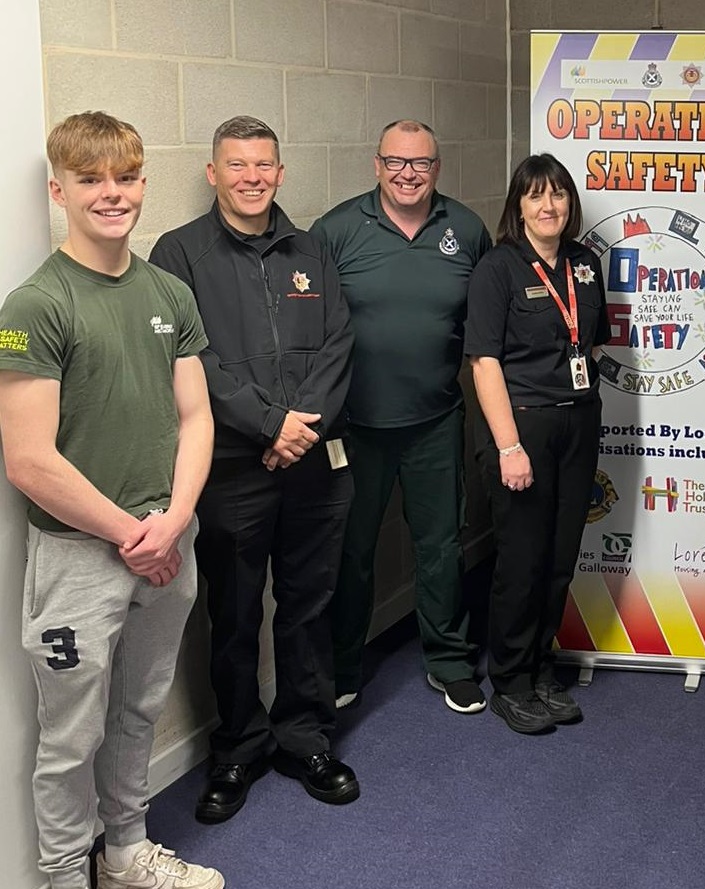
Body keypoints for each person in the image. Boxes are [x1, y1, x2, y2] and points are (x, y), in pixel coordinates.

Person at [0, 112, 221, 888]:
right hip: (81, 558)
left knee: (138, 710)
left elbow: (196, 417)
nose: (112, 193)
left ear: (142, 184)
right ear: (60, 189)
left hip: (168, 539)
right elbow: (29, 461)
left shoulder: (168, 291)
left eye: (125, 177)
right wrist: (139, 534)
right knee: (70, 735)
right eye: (91, 179)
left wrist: (176, 520)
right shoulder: (36, 305)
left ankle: (124, 854)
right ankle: (65, 875)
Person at [150, 116, 358, 824]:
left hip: (314, 462)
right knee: (233, 612)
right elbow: (191, 360)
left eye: (263, 165)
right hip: (231, 466)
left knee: (309, 604)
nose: (251, 177)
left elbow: (339, 343)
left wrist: (298, 429)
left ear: (280, 172)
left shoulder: (313, 249)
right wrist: (270, 424)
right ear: (213, 173)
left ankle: (306, 736)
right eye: (236, 165)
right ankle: (237, 745)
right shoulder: (177, 254)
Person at [313, 119, 492, 715]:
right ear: (376, 165)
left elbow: (486, 327)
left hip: (436, 421)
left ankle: (449, 661)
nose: (408, 173)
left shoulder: (465, 229)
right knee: (351, 552)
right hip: (354, 427)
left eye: (421, 163)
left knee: (440, 546)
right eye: (396, 162)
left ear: (437, 168)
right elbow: (307, 328)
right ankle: (341, 667)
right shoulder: (336, 231)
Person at [464, 153, 609, 734]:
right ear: (517, 206)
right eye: (535, 196)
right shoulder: (498, 269)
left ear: (569, 204)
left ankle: (542, 665)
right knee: (521, 561)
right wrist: (508, 446)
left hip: (578, 422)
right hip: (521, 426)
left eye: (558, 195)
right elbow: (484, 361)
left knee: (558, 557)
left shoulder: (585, 263)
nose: (548, 206)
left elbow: (591, 342)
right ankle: (511, 680)